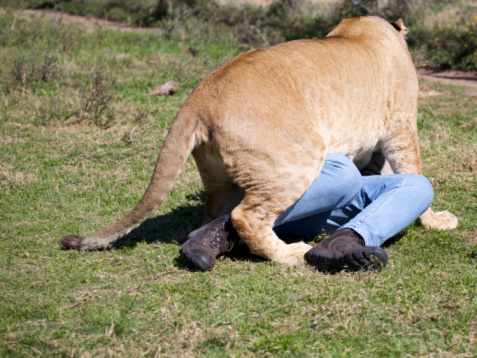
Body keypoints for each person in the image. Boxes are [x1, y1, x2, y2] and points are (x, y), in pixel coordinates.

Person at [181, 154, 434, 273]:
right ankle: (226, 229)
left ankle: (345, 242)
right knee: (345, 174)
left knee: (419, 186)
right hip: (282, 187)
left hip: (325, 200)